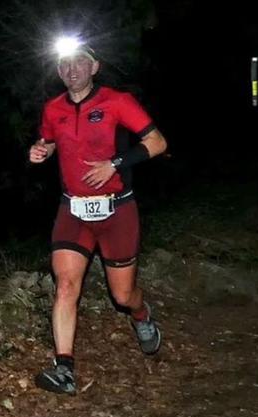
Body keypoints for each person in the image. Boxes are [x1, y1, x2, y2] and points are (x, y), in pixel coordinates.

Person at [28, 38, 168, 395]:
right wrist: (41, 150)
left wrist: (114, 165)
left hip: (117, 208)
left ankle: (141, 315)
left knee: (123, 295)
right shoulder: (53, 108)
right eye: (63, 64)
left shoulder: (117, 102)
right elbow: (51, 140)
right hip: (72, 209)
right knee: (65, 285)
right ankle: (64, 369)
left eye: (79, 62)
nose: (71, 69)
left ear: (94, 67)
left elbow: (157, 143)